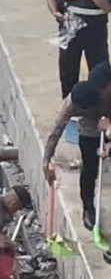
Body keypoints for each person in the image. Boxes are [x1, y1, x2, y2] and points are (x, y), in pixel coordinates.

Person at [47, 0, 111, 100]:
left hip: (94, 33)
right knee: (68, 72)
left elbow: (107, 7)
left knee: (99, 73)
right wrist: (55, 12)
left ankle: (100, 107)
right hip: (70, 33)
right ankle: (70, 105)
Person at [43, 79, 109, 229]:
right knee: (90, 169)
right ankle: (88, 208)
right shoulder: (71, 105)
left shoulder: (106, 92)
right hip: (90, 127)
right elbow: (57, 130)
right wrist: (46, 159)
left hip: (108, 119)